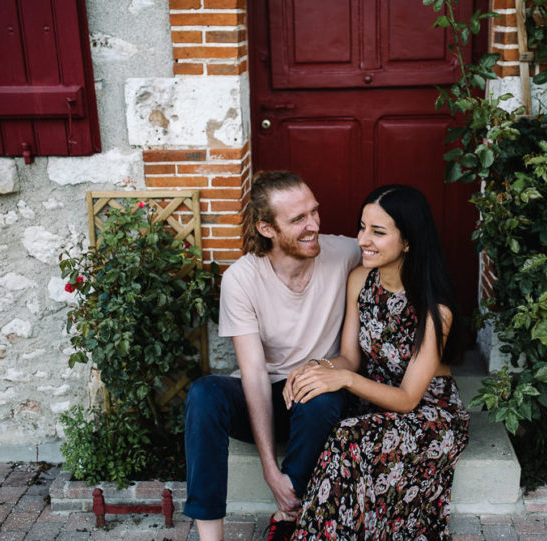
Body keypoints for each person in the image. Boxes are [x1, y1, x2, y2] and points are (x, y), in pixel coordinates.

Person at [284, 184, 470, 540]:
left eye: (378, 232)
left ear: (408, 241)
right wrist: (317, 369)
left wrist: (345, 381)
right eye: (362, 227)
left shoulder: (435, 310)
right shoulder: (360, 280)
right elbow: (350, 358)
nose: (363, 240)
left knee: (348, 436)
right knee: (344, 433)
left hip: (430, 415)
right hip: (376, 405)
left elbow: (408, 399)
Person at [183, 171, 361, 541]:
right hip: (264, 397)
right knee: (203, 394)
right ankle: (210, 535)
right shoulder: (242, 279)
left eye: (314, 212)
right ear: (266, 228)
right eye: (298, 219)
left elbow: (394, 247)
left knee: (320, 392)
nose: (313, 225)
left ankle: (288, 512)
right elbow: (253, 374)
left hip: (316, 402)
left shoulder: (344, 253)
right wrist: (269, 470)